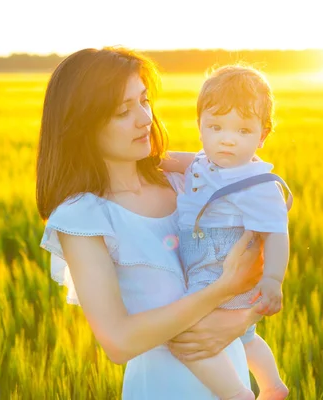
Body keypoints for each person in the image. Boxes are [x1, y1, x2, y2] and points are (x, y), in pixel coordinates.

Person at [36, 47, 265, 399]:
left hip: (231, 377)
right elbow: (119, 341)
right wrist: (220, 291)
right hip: (163, 387)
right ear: (83, 125)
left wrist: (239, 320)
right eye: (123, 112)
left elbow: (259, 199)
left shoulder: (185, 182)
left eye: (143, 101)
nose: (144, 118)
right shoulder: (83, 217)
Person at [169, 65, 291, 400]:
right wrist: (151, 161)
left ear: (262, 136)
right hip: (207, 268)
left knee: (185, 335)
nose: (227, 138)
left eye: (243, 130)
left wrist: (273, 280)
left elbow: (277, 234)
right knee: (246, 336)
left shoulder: (258, 183)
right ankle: (272, 385)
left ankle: (237, 394)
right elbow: (174, 161)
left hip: (221, 272)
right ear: (200, 128)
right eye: (216, 126)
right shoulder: (200, 163)